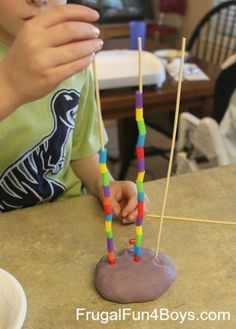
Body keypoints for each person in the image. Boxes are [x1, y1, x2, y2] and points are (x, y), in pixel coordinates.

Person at [0, 0, 150, 222]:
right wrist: (9, 86)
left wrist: (105, 183)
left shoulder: (70, 56)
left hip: (65, 218)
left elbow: (80, 146)